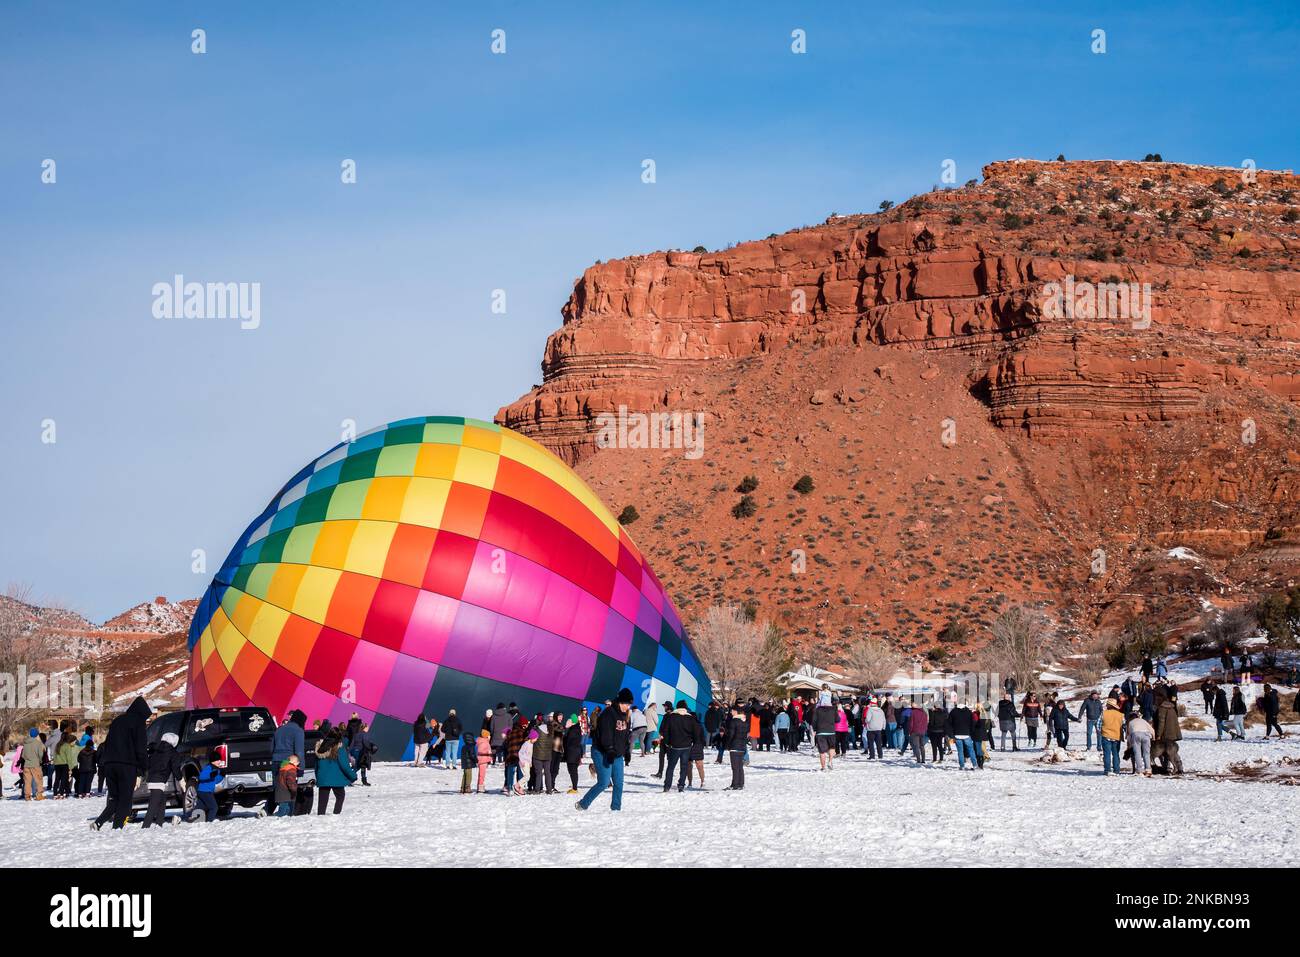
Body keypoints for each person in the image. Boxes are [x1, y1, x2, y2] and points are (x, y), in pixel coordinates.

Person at [91, 696, 151, 831]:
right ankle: (117, 829)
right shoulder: (138, 723)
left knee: (114, 798)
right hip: (127, 765)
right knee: (125, 799)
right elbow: (141, 749)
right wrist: (143, 769)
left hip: (110, 764)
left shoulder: (117, 721)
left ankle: (98, 823)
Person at [577, 687, 633, 811]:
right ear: (620, 702)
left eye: (629, 704)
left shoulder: (626, 716)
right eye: (626, 704)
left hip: (616, 754)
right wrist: (610, 749)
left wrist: (627, 751)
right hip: (602, 752)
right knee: (604, 782)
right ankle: (583, 804)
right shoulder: (609, 713)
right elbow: (605, 734)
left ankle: (616, 808)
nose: (627, 707)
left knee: (619, 783)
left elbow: (625, 736)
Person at [141, 731, 183, 827]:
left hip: (151, 778)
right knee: (153, 805)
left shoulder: (156, 750)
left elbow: (148, 763)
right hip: (159, 780)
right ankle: (145, 826)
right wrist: (181, 779)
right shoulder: (172, 752)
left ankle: (159, 823)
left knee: (162, 800)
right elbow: (175, 768)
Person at [315, 727, 356, 814]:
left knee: (322, 801)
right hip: (336, 779)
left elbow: (316, 765)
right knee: (340, 796)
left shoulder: (320, 747)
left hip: (323, 778)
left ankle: (320, 818)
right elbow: (344, 765)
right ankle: (336, 814)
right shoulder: (339, 747)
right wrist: (353, 776)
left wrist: (318, 777)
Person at [1152, 689, 1183, 775]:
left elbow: (1161, 723)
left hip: (1165, 733)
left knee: (1165, 752)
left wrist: (1158, 735)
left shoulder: (1162, 708)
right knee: (1173, 751)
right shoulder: (1171, 707)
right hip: (1173, 732)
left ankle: (1166, 768)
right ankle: (1179, 767)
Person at [722, 702, 749, 790]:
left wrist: (728, 745)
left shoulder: (734, 721)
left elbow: (731, 735)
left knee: (735, 767)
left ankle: (735, 784)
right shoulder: (745, 721)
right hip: (742, 746)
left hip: (735, 745)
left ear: (736, 711)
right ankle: (741, 783)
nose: (731, 712)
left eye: (732, 711)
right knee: (740, 766)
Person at [947, 701, 978, 770]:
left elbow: (949, 723)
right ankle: (975, 765)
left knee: (960, 751)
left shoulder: (953, 711)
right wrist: (971, 732)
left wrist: (951, 734)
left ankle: (962, 766)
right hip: (967, 734)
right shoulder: (968, 712)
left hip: (957, 734)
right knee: (971, 750)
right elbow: (972, 723)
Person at [1099, 698, 1125, 776]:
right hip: (1117, 737)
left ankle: (1107, 770)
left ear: (1109, 705)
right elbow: (1124, 726)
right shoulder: (1121, 715)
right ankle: (1116, 770)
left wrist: (1103, 731)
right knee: (1116, 754)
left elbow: (1098, 725)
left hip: (1106, 736)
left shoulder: (1103, 713)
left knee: (1107, 754)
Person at [812, 695, 838, 771]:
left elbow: (814, 721)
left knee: (822, 751)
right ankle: (830, 761)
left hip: (820, 732)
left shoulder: (817, 710)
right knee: (832, 747)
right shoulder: (833, 709)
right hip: (831, 731)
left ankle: (823, 767)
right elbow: (838, 719)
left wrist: (815, 729)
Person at [20, 727, 46, 801]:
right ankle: (39, 795)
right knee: (39, 780)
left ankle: (27, 796)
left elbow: (23, 755)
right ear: (37, 734)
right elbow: (40, 754)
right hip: (35, 764)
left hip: (26, 765)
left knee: (27, 781)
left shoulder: (25, 743)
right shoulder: (38, 743)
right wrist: (40, 761)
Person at [531, 720, 556, 794]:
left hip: (537, 755)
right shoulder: (551, 730)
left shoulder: (536, 729)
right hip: (548, 755)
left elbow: (531, 739)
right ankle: (549, 789)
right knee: (548, 773)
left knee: (539, 773)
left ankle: (537, 789)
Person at [1127, 711, 1154, 776]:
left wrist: (1129, 743)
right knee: (1146, 753)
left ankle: (1139, 770)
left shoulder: (1130, 722)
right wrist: (1153, 738)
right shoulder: (1143, 721)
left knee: (1137, 753)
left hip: (1136, 734)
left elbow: (1129, 734)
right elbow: (1152, 730)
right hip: (1146, 735)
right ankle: (1148, 770)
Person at [562, 715, 584, 793]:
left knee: (573, 771)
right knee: (573, 771)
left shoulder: (573, 730)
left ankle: (574, 788)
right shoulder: (576, 728)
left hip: (572, 753)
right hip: (575, 752)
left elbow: (569, 742)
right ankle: (574, 788)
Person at [907, 698, 929, 764]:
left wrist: (910, 731)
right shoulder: (924, 713)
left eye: (912, 703)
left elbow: (911, 723)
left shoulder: (913, 712)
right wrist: (925, 729)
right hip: (922, 731)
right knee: (922, 746)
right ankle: (923, 760)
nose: (911, 704)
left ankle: (918, 760)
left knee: (916, 746)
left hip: (915, 731)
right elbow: (926, 723)